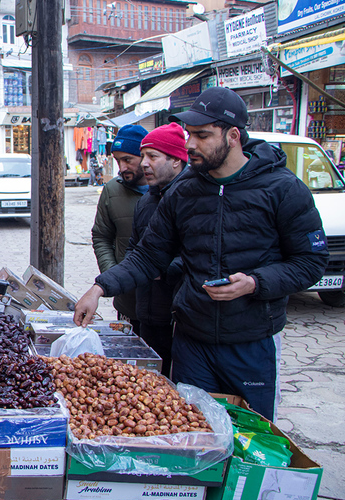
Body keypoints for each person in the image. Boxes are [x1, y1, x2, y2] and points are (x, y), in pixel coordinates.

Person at [74, 87, 329, 420]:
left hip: (251, 341)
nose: (190, 143)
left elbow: (311, 262)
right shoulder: (184, 192)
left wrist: (254, 282)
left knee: (251, 437)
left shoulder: (282, 189)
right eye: (189, 134)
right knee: (194, 435)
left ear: (233, 136)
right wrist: (100, 288)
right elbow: (148, 254)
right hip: (192, 341)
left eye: (202, 135)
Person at [126, 123, 189, 378]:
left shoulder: (192, 199)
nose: (144, 164)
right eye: (143, 156)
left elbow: (198, 254)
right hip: (146, 312)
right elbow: (134, 247)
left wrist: (160, 271)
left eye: (152, 156)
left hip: (180, 316)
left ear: (176, 160)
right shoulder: (146, 202)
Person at [91, 124, 149, 331]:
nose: (122, 167)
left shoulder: (168, 189)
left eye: (128, 160)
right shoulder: (111, 190)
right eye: (117, 160)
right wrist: (113, 275)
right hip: (127, 299)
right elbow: (101, 236)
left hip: (164, 300)